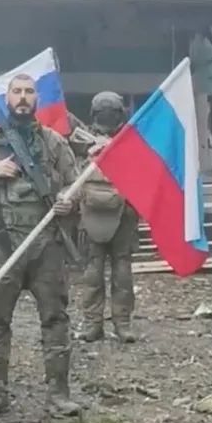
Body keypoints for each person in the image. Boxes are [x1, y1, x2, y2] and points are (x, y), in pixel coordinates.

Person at [0, 74, 83, 420]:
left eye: (29, 92)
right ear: (7, 99)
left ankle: (59, 394)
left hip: (47, 245)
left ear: (37, 99)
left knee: (56, 319)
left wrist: (68, 201)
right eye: (17, 91)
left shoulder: (53, 142)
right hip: (3, 242)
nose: (23, 97)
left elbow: (77, 185)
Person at [74, 91, 140, 344]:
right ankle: (99, 323)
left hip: (122, 213)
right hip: (92, 211)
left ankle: (118, 323)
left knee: (118, 273)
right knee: (96, 273)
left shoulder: (130, 141)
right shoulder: (82, 140)